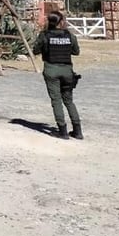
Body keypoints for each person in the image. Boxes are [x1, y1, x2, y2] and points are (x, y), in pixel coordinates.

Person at [32, 10, 82, 140]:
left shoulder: (45, 35)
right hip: (67, 70)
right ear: (61, 21)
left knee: (56, 101)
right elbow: (76, 52)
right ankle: (77, 131)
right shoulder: (69, 35)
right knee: (69, 101)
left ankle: (62, 131)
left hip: (51, 69)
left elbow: (35, 50)